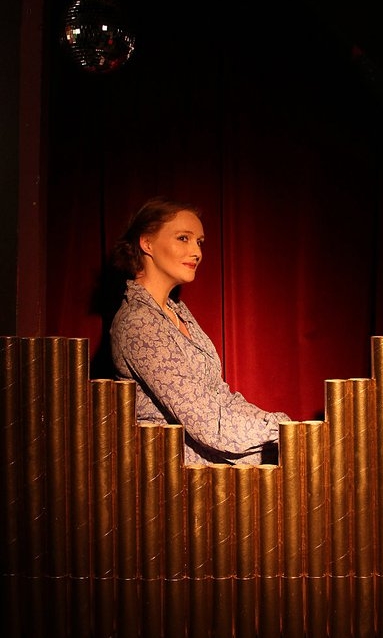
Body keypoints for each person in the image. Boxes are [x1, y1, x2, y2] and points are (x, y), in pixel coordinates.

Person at [109, 196, 291, 465]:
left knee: (303, 453)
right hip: (172, 467)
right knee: (297, 459)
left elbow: (220, 397)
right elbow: (206, 423)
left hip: (208, 453)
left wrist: (280, 425)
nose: (196, 252)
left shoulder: (177, 311)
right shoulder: (138, 322)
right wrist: (281, 432)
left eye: (199, 242)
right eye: (183, 238)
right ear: (147, 243)